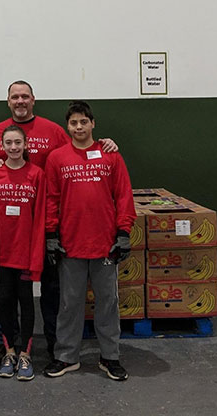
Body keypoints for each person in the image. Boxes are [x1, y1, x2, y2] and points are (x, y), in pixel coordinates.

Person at [0, 80, 118, 364]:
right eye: (15, 97)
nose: (20, 101)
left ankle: (57, 345)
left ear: (33, 100)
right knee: (6, 290)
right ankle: (7, 346)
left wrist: (106, 144)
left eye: (25, 96)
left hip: (49, 227)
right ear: (8, 101)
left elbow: (80, 151)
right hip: (12, 231)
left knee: (53, 289)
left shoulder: (54, 131)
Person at [43, 101, 135, 382]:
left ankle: (110, 357)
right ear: (67, 127)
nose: (79, 127)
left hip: (105, 244)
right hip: (70, 245)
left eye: (84, 122)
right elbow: (51, 199)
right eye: (74, 123)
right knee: (70, 303)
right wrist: (50, 234)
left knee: (107, 302)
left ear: (93, 123)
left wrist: (123, 232)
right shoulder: (57, 158)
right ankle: (67, 356)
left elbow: (123, 195)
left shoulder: (111, 156)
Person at [0, 125, 46, 381]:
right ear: (2, 145)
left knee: (27, 305)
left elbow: (40, 219)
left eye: (18, 142)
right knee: (5, 304)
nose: (13, 147)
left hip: (26, 256)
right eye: (8, 143)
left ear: (26, 144)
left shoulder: (36, 174)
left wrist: (36, 259)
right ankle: (8, 352)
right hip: (2, 256)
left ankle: (25, 355)